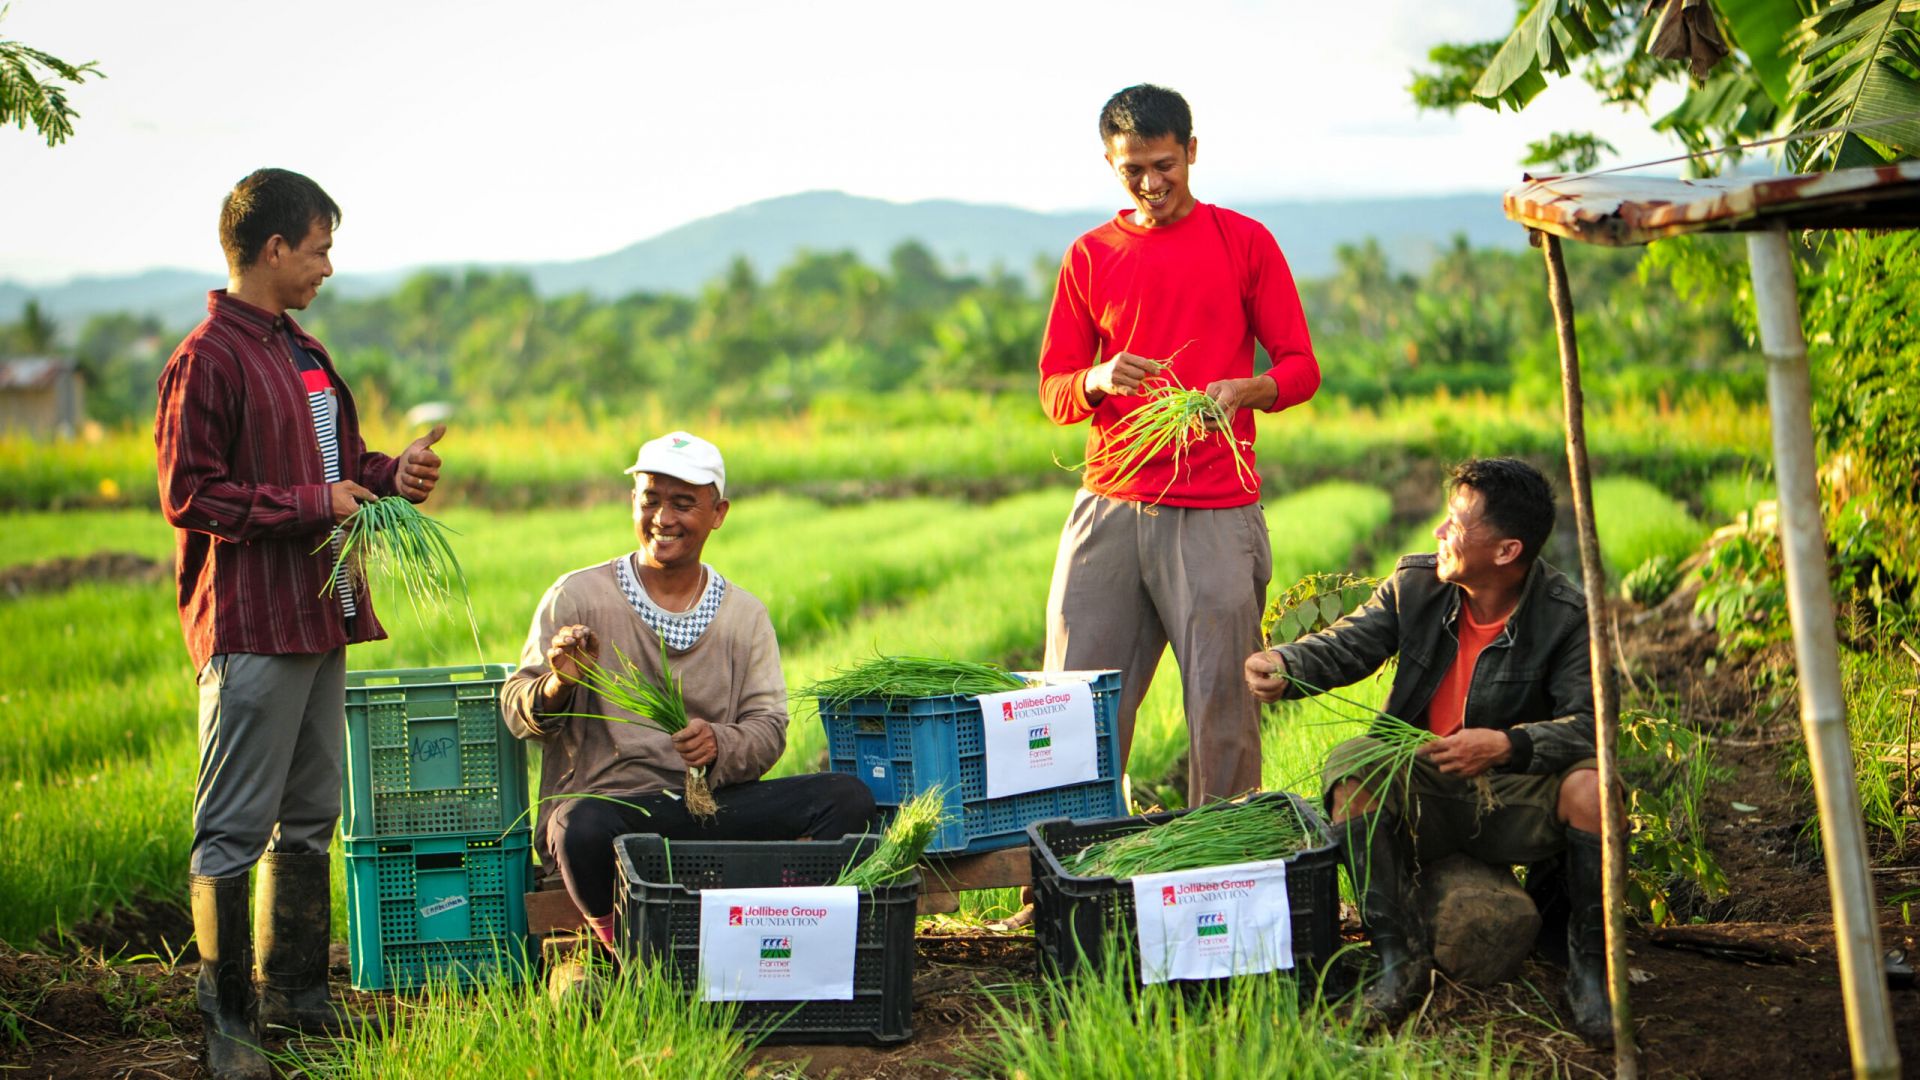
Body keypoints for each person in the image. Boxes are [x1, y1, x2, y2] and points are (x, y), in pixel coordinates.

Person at [155, 168, 447, 1078]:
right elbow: (189, 493)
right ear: (273, 247)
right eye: (319, 247)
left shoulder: (304, 354)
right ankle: (228, 1025)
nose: (327, 264)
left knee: (312, 816)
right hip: (252, 622)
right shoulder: (207, 359)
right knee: (235, 826)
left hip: (322, 616)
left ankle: (296, 996)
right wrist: (315, 501)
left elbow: (340, 461)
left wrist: (391, 475)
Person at [1243, 457, 1611, 1046]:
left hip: (1512, 795)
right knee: (1352, 767)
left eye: (1456, 526)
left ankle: (1591, 971)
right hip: (1427, 792)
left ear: (1507, 550)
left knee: (1594, 788)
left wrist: (1508, 745)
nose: (1439, 534)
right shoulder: (1417, 585)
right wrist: (1288, 664)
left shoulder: (1566, 616)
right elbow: (1350, 644)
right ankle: (1399, 961)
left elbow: (1596, 727)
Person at [1040, 83, 1321, 807]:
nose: (1152, 182)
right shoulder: (1089, 256)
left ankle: (1220, 877)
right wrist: (1097, 378)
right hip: (1109, 507)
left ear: (1192, 152)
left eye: (1164, 164)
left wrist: (1243, 390)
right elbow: (1054, 391)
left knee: (1222, 709)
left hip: (1214, 510)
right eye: (1132, 168)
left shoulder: (1245, 242)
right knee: (1070, 708)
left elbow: (1300, 366)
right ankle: (1064, 870)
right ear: (1110, 163)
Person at [501, 432, 876, 950]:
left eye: (683, 504)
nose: (663, 518)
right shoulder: (580, 597)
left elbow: (769, 729)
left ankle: (787, 927)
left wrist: (719, 743)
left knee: (847, 798)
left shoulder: (743, 616)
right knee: (575, 825)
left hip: (709, 807)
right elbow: (516, 710)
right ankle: (629, 955)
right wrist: (560, 683)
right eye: (650, 500)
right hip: (617, 809)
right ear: (632, 502)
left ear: (718, 513)